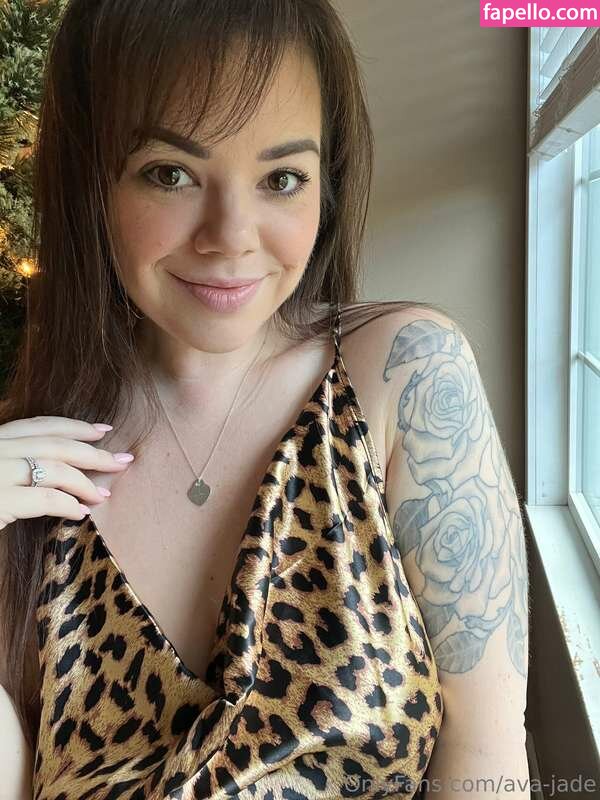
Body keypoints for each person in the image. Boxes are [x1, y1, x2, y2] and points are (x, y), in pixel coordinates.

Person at [0, 1, 530, 798]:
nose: (233, 235)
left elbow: (488, 762)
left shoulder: (407, 375)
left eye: (282, 179)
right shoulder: (31, 469)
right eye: (170, 173)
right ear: (90, 182)